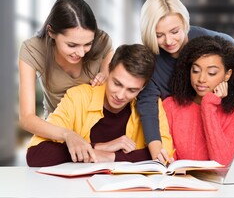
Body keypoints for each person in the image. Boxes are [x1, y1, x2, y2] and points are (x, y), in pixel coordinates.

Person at [26, 44, 173, 167]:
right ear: (108, 70)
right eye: (117, 83)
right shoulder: (78, 97)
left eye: (132, 90)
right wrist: (97, 148)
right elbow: (35, 154)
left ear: (143, 87)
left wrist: (110, 156)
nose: (121, 95)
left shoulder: (151, 104)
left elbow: (163, 154)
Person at [137, 0, 234, 161]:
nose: (168, 41)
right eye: (159, 35)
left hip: (215, 125)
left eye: (174, 31)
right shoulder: (150, 62)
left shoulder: (209, 41)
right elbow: (147, 106)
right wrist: (157, 150)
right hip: (177, 134)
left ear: (184, 22)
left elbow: (230, 51)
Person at [19, 0, 114, 163]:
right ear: (51, 32)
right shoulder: (32, 49)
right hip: (58, 130)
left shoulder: (102, 42)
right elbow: (27, 117)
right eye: (72, 45)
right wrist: (67, 135)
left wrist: (106, 72)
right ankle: (94, 149)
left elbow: (110, 61)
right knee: (39, 157)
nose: (82, 53)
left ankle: (95, 148)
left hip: (97, 127)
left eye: (87, 44)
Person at [162, 36, 234, 166]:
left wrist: (208, 105)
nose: (201, 79)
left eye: (212, 73)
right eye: (195, 70)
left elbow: (221, 161)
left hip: (215, 184)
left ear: (228, 74)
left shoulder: (232, 112)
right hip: (177, 182)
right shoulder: (170, 105)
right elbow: (169, 159)